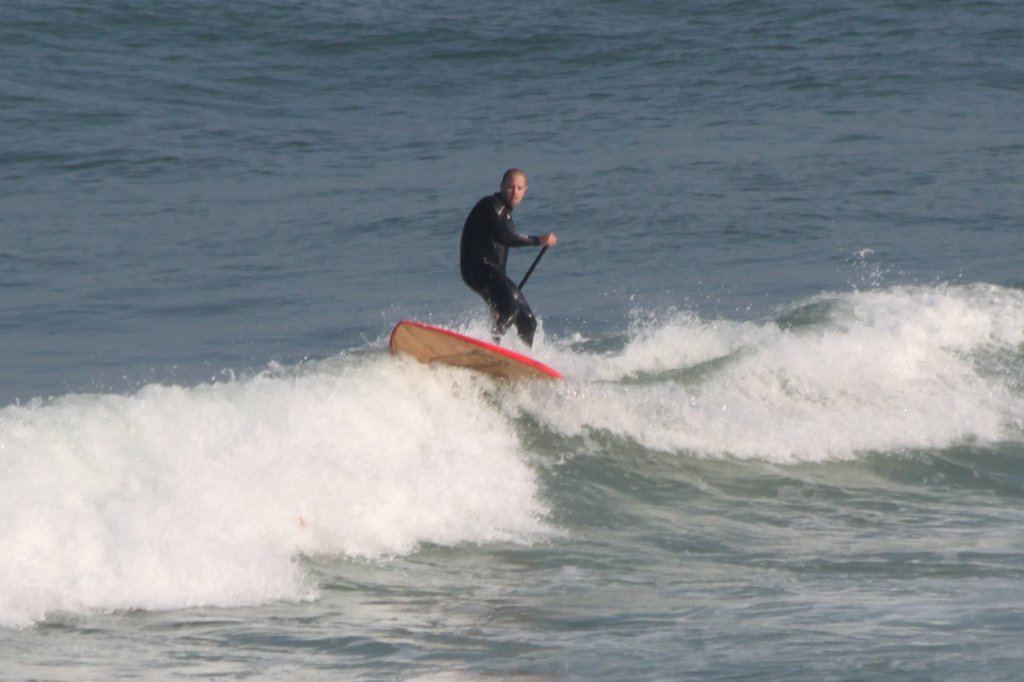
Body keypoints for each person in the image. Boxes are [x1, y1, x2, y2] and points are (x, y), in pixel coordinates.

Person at [459, 169, 557, 347]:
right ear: (502, 186)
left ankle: (521, 357)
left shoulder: (507, 217)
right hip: (476, 269)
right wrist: (538, 240)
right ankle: (492, 345)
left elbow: (500, 261)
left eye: (519, 188)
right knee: (509, 309)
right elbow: (504, 237)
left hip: (492, 273)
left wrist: (498, 297)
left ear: (525, 191)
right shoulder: (490, 206)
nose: (514, 192)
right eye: (511, 187)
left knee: (528, 320)